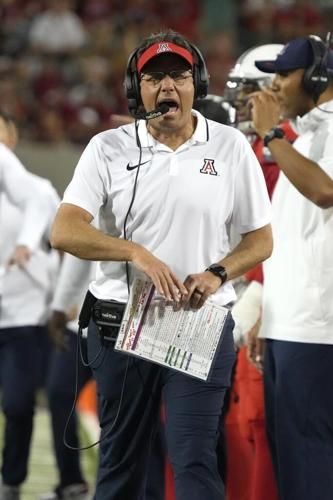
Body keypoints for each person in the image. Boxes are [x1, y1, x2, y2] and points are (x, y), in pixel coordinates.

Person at [51, 29, 273, 500]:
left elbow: (260, 240)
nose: (167, 86)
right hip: (121, 324)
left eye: (179, 75)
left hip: (199, 322)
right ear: (137, 89)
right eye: (154, 77)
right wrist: (134, 251)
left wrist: (216, 273)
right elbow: (65, 230)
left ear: (198, 84)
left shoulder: (230, 147)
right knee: (121, 463)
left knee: (194, 457)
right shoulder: (108, 147)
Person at [247, 35, 333, 500]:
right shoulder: (312, 131)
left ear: (318, 76)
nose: (275, 84)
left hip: (319, 330)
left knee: (311, 459)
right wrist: (269, 311)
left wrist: (271, 135)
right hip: (290, 324)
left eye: (284, 73)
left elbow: (325, 190)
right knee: (292, 461)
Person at [222, 43, 298, 500]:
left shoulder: (282, 146)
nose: (241, 102)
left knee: (258, 421)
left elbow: (282, 232)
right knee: (241, 422)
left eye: (247, 90)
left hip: (271, 291)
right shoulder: (252, 145)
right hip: (247, 285)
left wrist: (264, 296)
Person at [0, 112, 60, 500]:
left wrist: (63, 302)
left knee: (20, 405)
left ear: (13, 137)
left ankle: (12, 482)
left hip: (24, 319)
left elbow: (67, 244)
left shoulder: (40, 190)